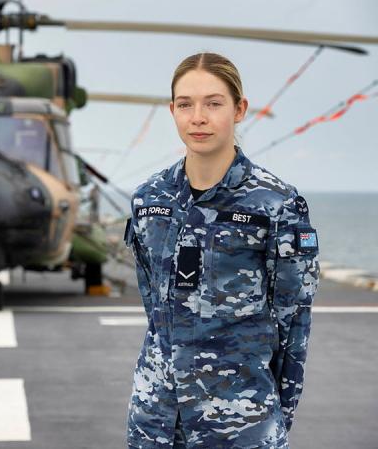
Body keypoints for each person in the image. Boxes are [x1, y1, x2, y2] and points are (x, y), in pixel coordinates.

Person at [124, 53, 319, 448]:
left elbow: (293, 324)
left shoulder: (276, 205)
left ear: (239, 109)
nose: (198, 118)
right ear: (173, 111)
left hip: (240, 423)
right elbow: (155, 308)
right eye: (185, 105)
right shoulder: (149, 199)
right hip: (155, 421)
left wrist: (273, 419)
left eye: (213, 103)